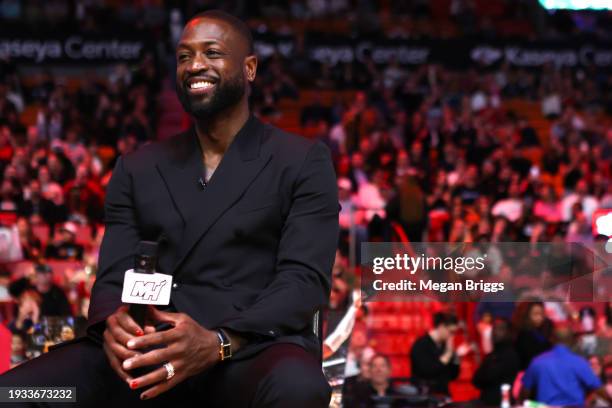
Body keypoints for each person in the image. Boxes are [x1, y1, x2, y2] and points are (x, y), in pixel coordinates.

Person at [0, 10, 339, 408]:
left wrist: (218, 343)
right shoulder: (138, 166)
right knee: (16, 393)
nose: (195, 65)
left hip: (246, 351)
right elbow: (111, 279)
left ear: (248, 69)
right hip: (146, 355)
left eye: (212, 53)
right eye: (184, 56)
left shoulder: (300, 160)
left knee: (298, 389)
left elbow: (302, 282)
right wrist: (113, 323)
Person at [521, 327, 612, 406]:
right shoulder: (579, 362)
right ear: (572, 341)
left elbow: (525, 392)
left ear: (552, 339)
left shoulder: (537, 361)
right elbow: (598, 388)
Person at [409, 312, 460, 396]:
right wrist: (447, 356)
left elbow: (453, 375)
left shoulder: (446, 346)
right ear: (441, 327)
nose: (452, 336)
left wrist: (456, 358)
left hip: (443, 395)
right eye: (451, 332)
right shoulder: (421, 345)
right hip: (423, 397)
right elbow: (426, 371)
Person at [472, 318, 520, 406]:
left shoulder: (510, 355)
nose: (495, 332)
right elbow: (475, 381)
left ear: (509, 333)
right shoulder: (492, 354)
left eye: (500, 329)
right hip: (486, 402)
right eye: (494, 329)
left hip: (502, 403)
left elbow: (487, 376)